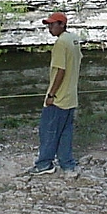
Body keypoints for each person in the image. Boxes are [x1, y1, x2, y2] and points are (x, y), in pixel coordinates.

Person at [28, 11, 82, 176]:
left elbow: (60, 71)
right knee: (65, 132)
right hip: (71, 96)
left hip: (59, 98)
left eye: (52, 24)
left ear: (62, 25)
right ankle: (67, 164)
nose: (49, 28)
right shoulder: (74, 39)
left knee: (48, 131)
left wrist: (51, 95)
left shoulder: (60, 44)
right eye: (48, 25)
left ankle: (45, 163)